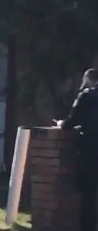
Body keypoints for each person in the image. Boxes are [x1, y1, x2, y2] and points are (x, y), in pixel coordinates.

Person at [54, 68, 98, 231]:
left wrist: (60, 123)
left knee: (88, 193)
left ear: (87, 79)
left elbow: (71, 121)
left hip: (91, 150)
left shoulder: (86, 95)